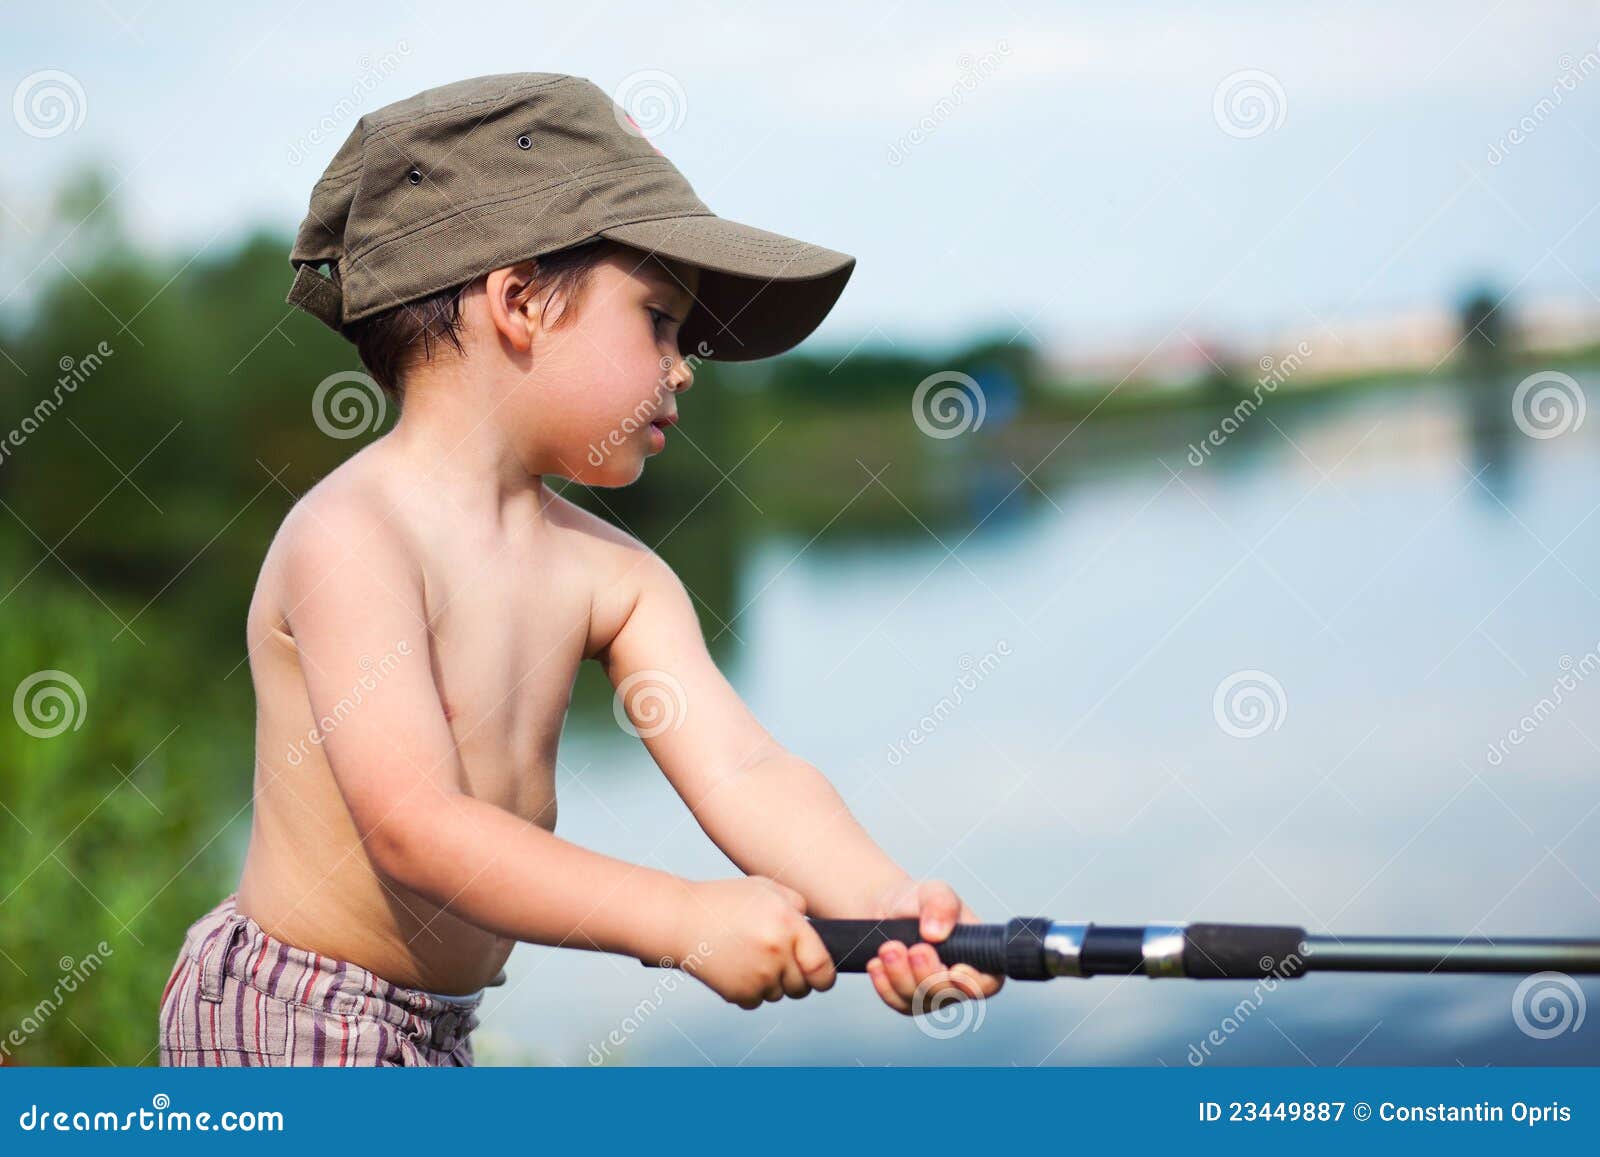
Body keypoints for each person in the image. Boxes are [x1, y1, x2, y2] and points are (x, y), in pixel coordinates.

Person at [157, 72, 1001, 1067]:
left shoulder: (613, 574)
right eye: (658, 322)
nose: (686, 366)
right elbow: (415, 826)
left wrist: (882, 899)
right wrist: (680, 916)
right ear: (518, 301)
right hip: (293, 1015)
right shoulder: (355, 534)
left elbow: (743, 767)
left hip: (435, 1027)